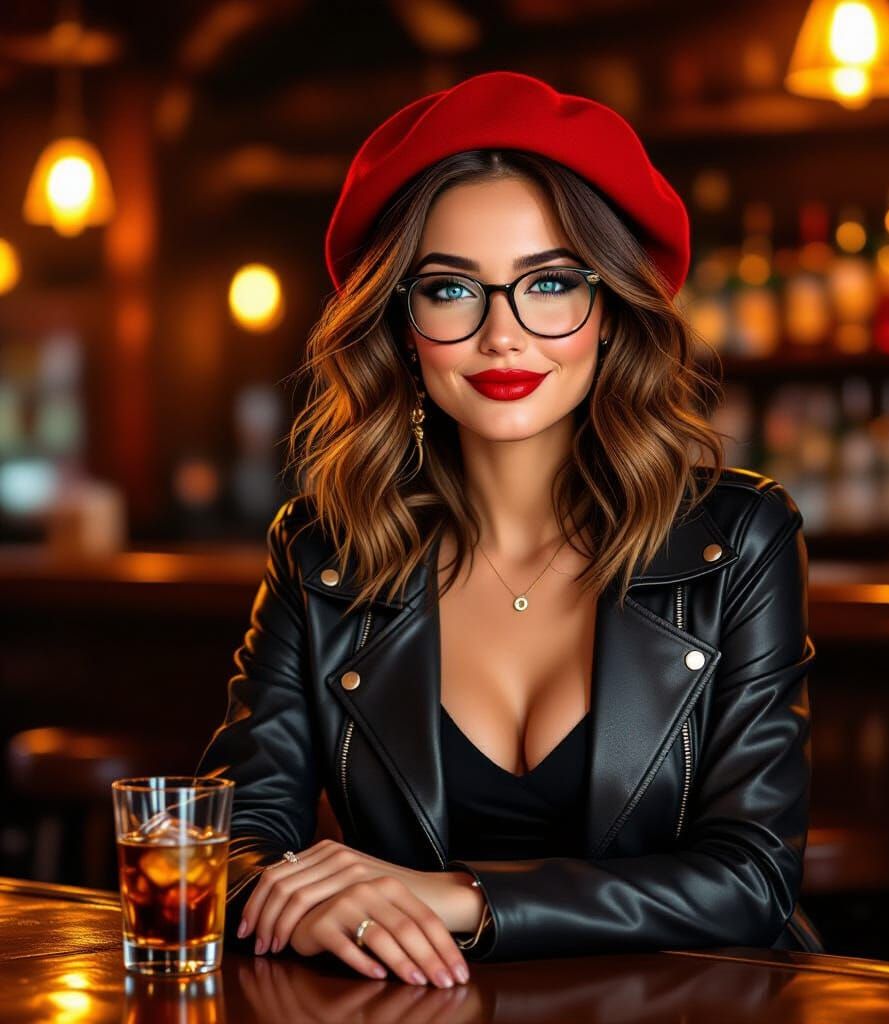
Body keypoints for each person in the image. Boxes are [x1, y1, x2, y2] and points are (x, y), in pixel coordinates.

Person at [194, 69, 822, 989]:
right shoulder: (323, 550)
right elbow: (235, 840)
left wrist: (456, 896)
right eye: (452, 291)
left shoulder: (739, 538)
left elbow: (751, 879)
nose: (504, 336)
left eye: (551, 284)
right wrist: (284, 888)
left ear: (608, 311)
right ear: (401, 325)